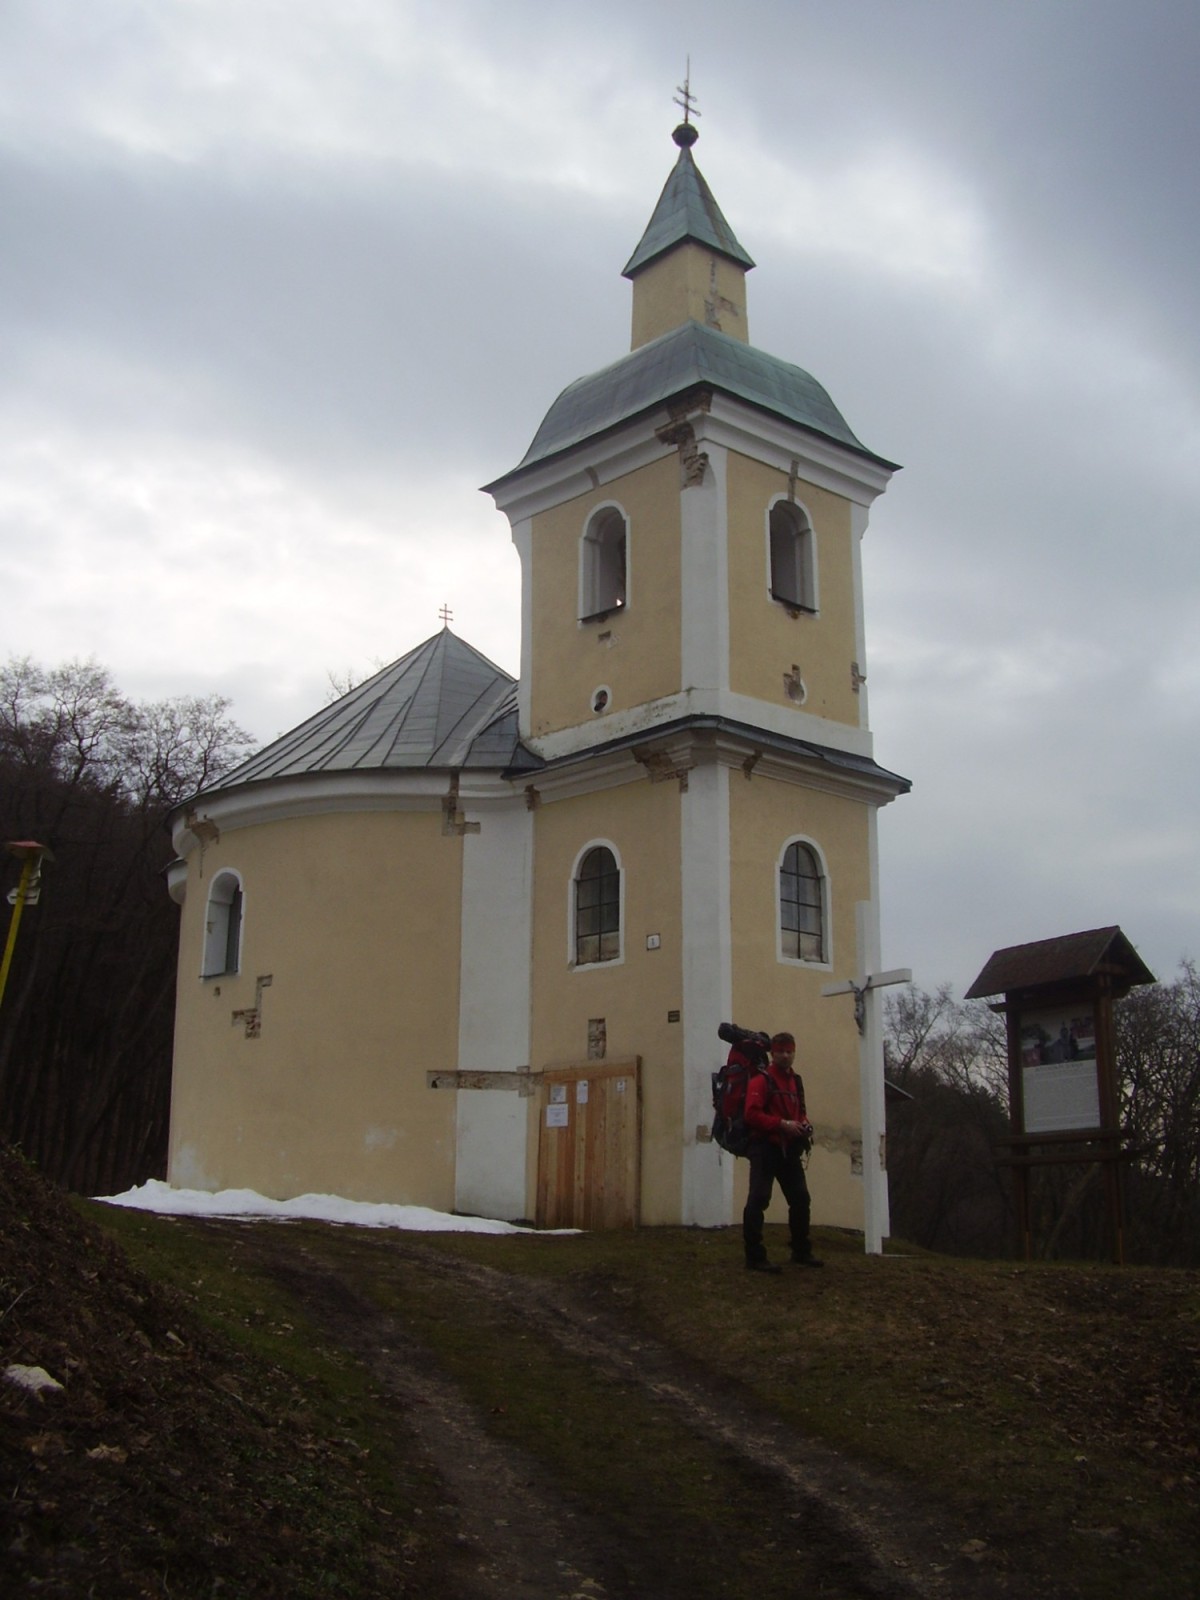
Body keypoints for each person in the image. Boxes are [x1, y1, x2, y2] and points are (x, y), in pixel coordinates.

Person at [742, 1031, 822, 1273]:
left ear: (794, 1052)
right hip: (765, 1147)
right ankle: (755, 1256)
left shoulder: (796, 1081)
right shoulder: (761, 1081)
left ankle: (801, 1251)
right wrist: (781, 1124)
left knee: (800, 1199)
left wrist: (804, 1124)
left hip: (789, 1149)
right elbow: (751, 1115)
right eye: (781, 1052)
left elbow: (800, 1112)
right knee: (758, 1199)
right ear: (772, 1053)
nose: (785, 1056)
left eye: (789, 1051)